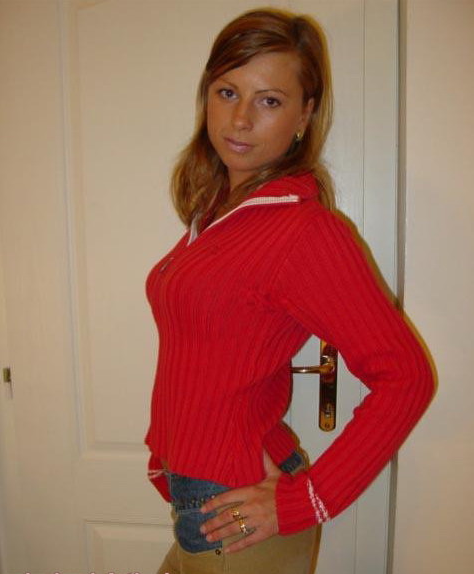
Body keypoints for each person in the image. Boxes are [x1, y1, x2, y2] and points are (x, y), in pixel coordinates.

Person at [144, 8, 434, 574]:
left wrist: (306, 502)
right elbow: (204, 359)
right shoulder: (218, 216)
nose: (241, 118)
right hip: (205, 501)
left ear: (304, 115)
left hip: (235, 519)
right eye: (228, 92)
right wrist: (168, 453)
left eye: (270, 100)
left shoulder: (302, 231)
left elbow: (407, 376)